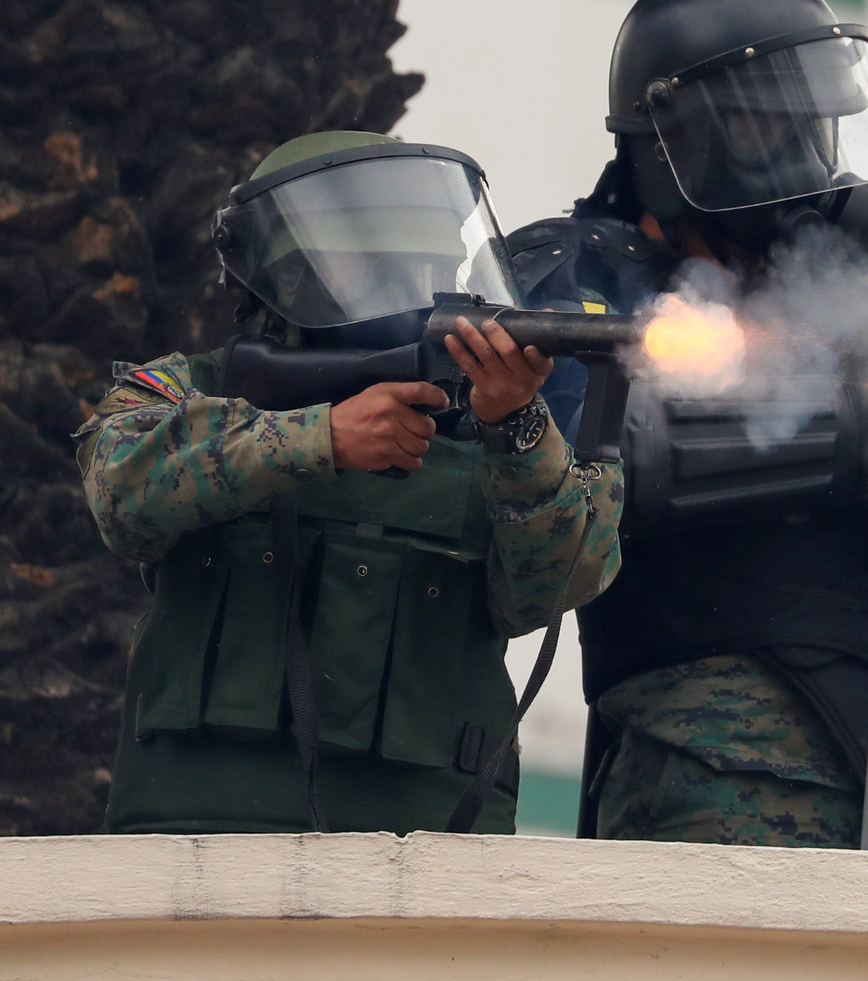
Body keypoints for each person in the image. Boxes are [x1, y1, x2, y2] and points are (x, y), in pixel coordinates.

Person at [77, 131, 623, 834]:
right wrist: (320, 438)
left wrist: (515, 424)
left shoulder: (499, 428)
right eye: (382, 272)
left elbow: (561, 583)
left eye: (431, 271)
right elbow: (119, 491)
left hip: (426, 852)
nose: (414, 296)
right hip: (195, 837)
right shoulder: (191, 388)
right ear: (290, 276)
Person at [506, 0, 868, 846]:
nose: (804, 158)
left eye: (815, 126)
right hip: (709, 761)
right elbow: (568, 466)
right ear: (673, 140)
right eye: (770, 126)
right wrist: (864, 433)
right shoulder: (574, 277)